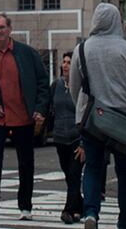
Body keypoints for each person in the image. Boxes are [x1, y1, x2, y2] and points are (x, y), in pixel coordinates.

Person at [70, 3, 126, 229]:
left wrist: (82, 112)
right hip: (121, 121)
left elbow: (74, 88)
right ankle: (125, 221)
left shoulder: (82, 49)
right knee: (125, 172)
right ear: (117, 21)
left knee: (93, 168)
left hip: (92, 122)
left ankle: (90, 213)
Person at [0, 13, 49, 221]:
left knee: (26, 162)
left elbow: (43, 82)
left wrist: (40, 108)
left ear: (10, 29)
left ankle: (25, 208)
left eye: (1, 28)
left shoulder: (27, 54)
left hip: (23, 116)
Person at [45, 52, 83, 225]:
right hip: (60, 138)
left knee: (74, 174)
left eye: (69, 62)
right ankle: (79, 206)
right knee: (69, 176)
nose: (66, 65)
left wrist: (84, 142)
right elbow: (48, 107)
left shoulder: (82, 87)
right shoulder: (56, 85)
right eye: (64, 62)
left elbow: (86, 114)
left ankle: (67, 210)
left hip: (77, 138)